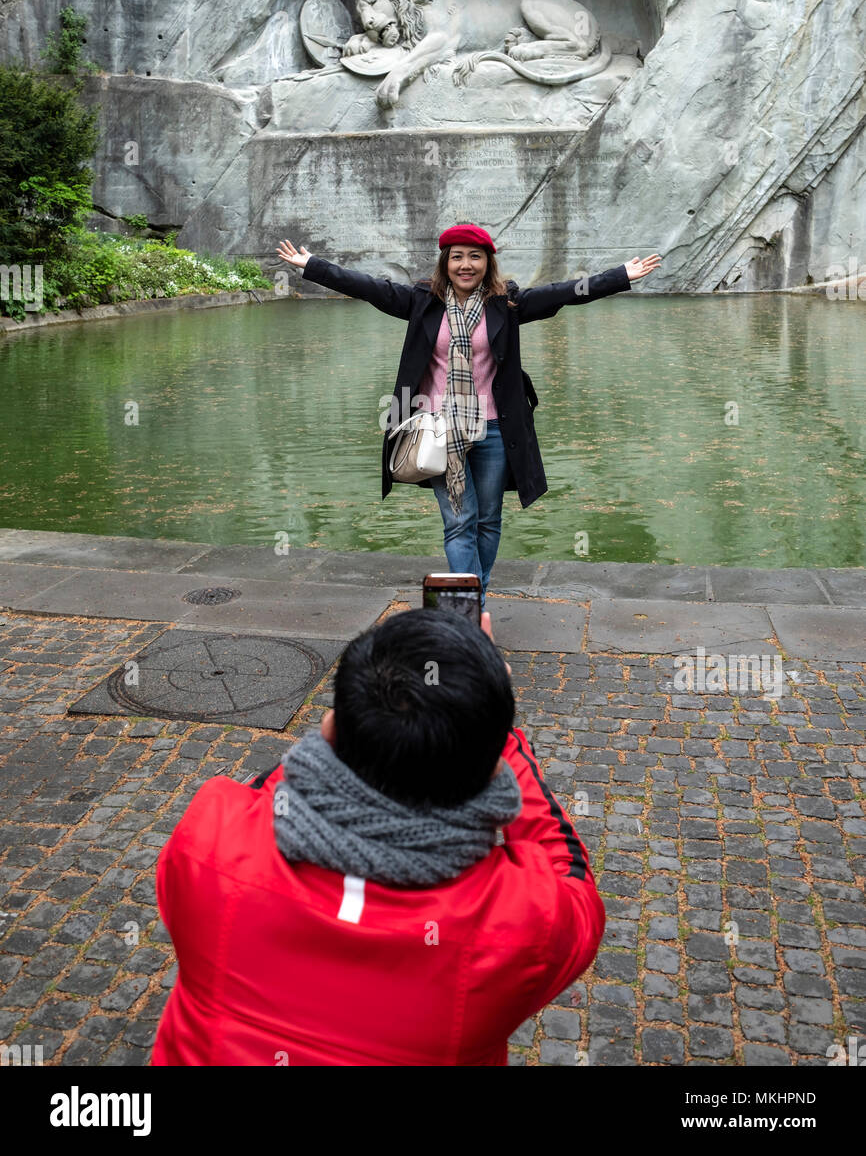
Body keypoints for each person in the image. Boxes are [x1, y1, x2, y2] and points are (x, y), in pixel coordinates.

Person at [151, 606, 605, 1067]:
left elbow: (278, 790)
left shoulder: (208, 838)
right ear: (493, 767)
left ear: (329, 729)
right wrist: (490, 727)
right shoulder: (527, 926)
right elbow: (569, 873)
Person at [277, 226, 660, 608]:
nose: (466, 265)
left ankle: (471, 598)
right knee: (460, 521)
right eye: (457, 256)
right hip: (440, 431)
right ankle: (467, 608)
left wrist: (621, 275)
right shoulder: (422, 301)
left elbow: (564, 293)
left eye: (474, 257)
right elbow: (366, 286)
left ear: (487, 263)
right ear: (446, 261)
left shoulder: (506, 304)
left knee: (488, 519)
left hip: (495, 429)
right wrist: (311, 264)